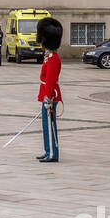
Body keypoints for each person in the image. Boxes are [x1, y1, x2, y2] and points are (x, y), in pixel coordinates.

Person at [35, 17, 62, 163]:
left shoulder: (52, 58)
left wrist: (48, 97)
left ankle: (52, 153)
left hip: (50, 96)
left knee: (50, 126)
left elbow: (50, 80)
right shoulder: (49, 57)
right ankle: (48, 150)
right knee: (46, 125)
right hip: (47, 94)